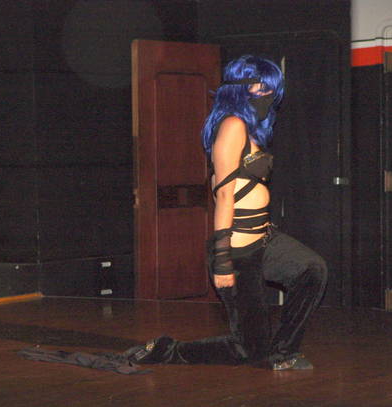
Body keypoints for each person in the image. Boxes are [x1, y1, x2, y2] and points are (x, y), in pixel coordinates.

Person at [129, 55, 328, 370]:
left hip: (263, 239)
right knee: (248, 350)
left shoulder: (249, 129)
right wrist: (223, 260)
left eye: (271, 89)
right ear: (242, 87)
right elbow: (223, 194)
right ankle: (167, 350)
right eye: (262, 88)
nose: (268, 95)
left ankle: (283, 352)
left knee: (312, 270)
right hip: (237, 251)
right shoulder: (233, 125)